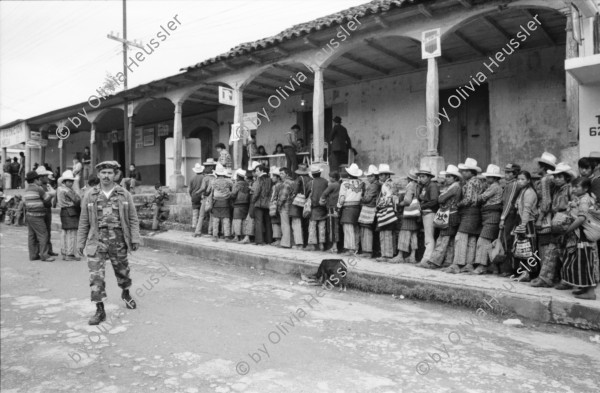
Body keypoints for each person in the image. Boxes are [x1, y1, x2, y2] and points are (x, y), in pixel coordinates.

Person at [77, 160, 140, 325]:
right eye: (103, 172)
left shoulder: (124, 194)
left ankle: (125, 293)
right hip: (96, 240)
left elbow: (133, 219)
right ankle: (99, 310)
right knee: (95, 276)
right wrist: (80, 242)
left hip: (118, 239)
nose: (106, 175)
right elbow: (84, 220)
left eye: (110, 173)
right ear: (98, 175)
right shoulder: (90, 194)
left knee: (123, 272)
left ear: (115, 175)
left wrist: (134, 238)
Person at [531, 163, 575, 287]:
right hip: (557, 222)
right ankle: (545, 278)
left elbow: (574, 207)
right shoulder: (556, 189)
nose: (556, 179)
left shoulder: (570, 189)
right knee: (552, 251)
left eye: (560, 177)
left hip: (567, 224)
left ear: (566, 177)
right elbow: (546, 181)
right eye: (555, 176)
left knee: (566, 253)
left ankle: (567, 280)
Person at [561, 177, 599, 300]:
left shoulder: (584, 200)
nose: (574, 189)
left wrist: (568, 229)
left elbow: (581, 218)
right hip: (581, 236)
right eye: (574, 186)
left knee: (587, 263)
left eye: (577, 186)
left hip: (584, 236)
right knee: (581, 263)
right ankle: (584, 288)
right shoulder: (581, 198)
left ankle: (590, 293)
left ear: (586, 188)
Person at [443, 158, 484, 274]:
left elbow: (468, 199)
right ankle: (469, 264)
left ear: (471, 172)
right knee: (471, 239)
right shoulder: (479, 182)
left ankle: (457, 264)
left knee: (460, 237)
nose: (463, 173)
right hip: (476, 212)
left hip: (469, 212)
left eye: (466, 171)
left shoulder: (471, 182)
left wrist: (458, 205)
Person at [421, 165, 462, 269]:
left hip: (449, 215)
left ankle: (434, 261)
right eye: (446, 176)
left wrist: (441, 196)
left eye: (449, 176)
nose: (446, 178)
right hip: (451, 214)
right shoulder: (452, 187)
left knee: (443, 239)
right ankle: (447, 261)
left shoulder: (455, 187)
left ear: (455, 178)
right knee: (449, 240)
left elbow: (440, 199)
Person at [511, 171, 539, 282]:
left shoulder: (529, 193)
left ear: (528, 180)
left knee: (528, 248)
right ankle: (521, 272)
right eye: (518, 179)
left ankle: (528, 272)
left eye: (523, 179)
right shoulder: (522, 191)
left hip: (527, 223)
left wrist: (522, 225)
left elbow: (526, 210)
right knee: (520, 248)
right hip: (521, 221)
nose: (520, 181)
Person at [23, 170, 55, 261]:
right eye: (38, 179)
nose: (39, 180)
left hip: (29, 215)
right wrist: (51, 195)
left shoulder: (27, 189)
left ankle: (33, 255)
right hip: (38, 215)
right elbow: (47, 199)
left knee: (32, 236)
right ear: (35, 180)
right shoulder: (38, 188)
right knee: (43, 234)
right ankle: (44, 255)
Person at [499, 164, 522, 277]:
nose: (507, 174)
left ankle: (508, 268)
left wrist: (503, 218)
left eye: (510, 172)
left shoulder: (514, 184)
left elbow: (509, 203)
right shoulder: (509, 184)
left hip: (510, 216)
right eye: (506, 172)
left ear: (515, 174)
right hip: (507, 214)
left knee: (507, 240)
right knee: (504, 240)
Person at [337, 163, 364, 256]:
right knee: (356, 228)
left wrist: (338, 207)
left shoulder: (345, 184)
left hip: (348, 208)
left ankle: (350, 249)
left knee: (348, 228)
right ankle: (356, 247)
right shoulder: (361, 183)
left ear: (349, 174)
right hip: (357, 208)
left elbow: (342, 197)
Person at [394, 169, 420, 264]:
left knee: (404, 233)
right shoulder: (417, 186)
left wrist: (400, 203)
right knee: (413, 235)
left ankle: (400, 255)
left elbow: (408, 201)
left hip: (408, 213)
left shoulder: (410, 186)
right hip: (414, 213)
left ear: (409, 178)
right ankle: (412, 256)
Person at [416, 167, 439, 265]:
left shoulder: (432, 186)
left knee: (429, 237)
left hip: (430, 213)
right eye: (420, 177)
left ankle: (426, 259)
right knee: (427, 236)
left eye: (423, 176)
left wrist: (422, 206)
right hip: (425, 213)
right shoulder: (424, 187)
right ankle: (426, 259)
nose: (421, 178)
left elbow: (434, 201)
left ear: (429, 177)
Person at [57, 170, 81, 261]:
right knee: (72, 233)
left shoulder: (59, 189)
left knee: (65, 233)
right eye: (69, 181)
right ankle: (70, 254)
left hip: (63, 211)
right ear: (64, 181)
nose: (71, 183)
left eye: (72, 181)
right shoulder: (67, 190)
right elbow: (77, 200)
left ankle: (64, 252)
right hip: (70, 211)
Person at [374, 164, 396, 262]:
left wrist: (379, 205)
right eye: (380, 175)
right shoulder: (392, 184)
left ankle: (386, 255)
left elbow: (387, 198)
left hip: (386, 210)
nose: (380, 177)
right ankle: (389, 253)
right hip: (391, 210)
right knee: (388, 233)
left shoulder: (386, 185)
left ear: (387, 175)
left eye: (382, 175)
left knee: (385, 233)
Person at [306, 165, 329, 252]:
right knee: (322, 226)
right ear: (320, 173)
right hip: (323, 207)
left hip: (314, 207)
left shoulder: (310, 183)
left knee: (312, 226)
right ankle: (321, 244)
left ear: (312, 174)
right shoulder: (325, 182)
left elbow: (307, 194)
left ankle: (312, 245)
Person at [36, 165, 58, 256]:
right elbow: (48, 195)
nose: (47, 177)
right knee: (43, 232)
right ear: (41, 177)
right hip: (42, 208)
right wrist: (50, 194)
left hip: (47, 208)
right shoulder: (38, 186)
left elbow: (53, 193)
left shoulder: (47, 185)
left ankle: (49, 249)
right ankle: (43, 251)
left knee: (48, 230)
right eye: (45, 176)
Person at [208, 164, 233, 241]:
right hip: (226, 202)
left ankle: (215, 236)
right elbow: (232, 189)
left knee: (215, 220)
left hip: (216, 203)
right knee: (226, 220)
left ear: (216, 173)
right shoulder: (228, 182)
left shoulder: (213, 182)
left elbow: (209, 191)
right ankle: (227, 236)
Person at [193, 159, 217, 237]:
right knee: (212, 216)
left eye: (206, 166)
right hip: (213, 198)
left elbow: (203, 188)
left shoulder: (205, 178)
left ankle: (198, 231)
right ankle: (210, 231)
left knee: (201, 215)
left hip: (205, 198)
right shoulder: (215, 177)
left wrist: (197, 192)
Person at [290, 164, 311, 249]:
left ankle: (299, 243)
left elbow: (295, 191)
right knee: (306, 224)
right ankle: (306, 243)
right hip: (307, 203)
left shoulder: (299, 179)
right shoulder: (310, 179)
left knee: (296, 223)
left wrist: (292, 197)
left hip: (298, 203)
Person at [252, 164, 273, 245]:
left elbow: (257, 192)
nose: (256, 172)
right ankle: (269, 240)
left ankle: (259, 241)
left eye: (257, 171)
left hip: (259, 203)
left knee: (259, 222)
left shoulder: (259, 180)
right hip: (267, 203)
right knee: (268, 221)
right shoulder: (270, 180)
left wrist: (253, 200)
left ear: (262, 171)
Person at [276, 167, 294, 248]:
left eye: (282, 173)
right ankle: (291, 242)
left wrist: (278, 205)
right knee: (289, 224)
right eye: (280, 173)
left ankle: (285, 243)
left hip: (285, 206)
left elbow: (283, 196)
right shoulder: (292, 182)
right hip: (291, 206)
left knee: (285, 225)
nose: (280, 175)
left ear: (287, 174)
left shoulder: (286, 183)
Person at [231, 168, 250, 242]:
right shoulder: (247, 184)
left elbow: (233, 194)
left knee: (237, 221)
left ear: (238, 176)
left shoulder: (237, 184)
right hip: (245, 205)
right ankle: (242, 236)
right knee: (243, 221)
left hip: (238, 205)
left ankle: (237, 236)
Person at [189, 163, 205, 230]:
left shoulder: (192, 178)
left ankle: (194, 226)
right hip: (201, 196)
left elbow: (190, 190)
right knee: (201, 213)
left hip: (194, 196)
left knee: (195, 212)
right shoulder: (203, 177)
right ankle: (200, 227)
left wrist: (192, 196)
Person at [269, 167, 283, 246]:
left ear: (278, 178)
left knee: (275, 222)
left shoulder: (276, 186)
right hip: (279, 205)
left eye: (274, 176)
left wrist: (271, 203)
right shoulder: (281, 184)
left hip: (275, 205)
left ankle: (278, 239)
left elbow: (273, 197)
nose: (272, 178)